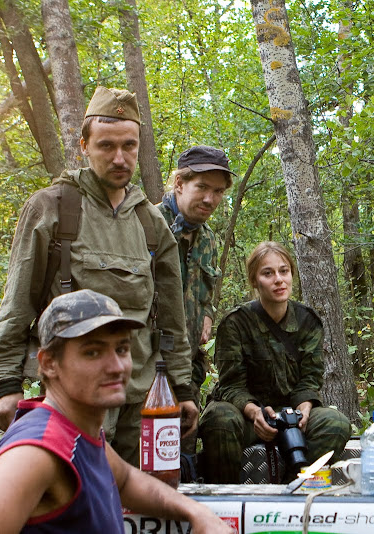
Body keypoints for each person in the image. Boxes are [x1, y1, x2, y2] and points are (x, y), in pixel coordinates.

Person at [0, 87, 196, 466]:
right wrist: (4, 383)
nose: (120, 158)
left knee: (137, 509)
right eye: (106, 146)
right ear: (84, 145)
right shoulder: (53, 208)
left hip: (140, 398)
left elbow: (171, 321)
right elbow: (17, 303)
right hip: (69, 397)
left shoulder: (151, 222)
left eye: (129, 146)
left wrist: (182, 386)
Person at [0, 290, 232, 534]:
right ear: (49, 363)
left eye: (121, 349)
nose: (116, 366)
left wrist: (197, 512)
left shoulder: (78, 431)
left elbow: (126, 480)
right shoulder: (37, 452)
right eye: (93, 352)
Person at [198, 241, 351, 483]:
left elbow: (310, 379)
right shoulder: (236, 324)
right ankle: (226, 498)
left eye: (284, 271)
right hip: (244, 415)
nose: (279, 280)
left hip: (290, 416)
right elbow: (231, 386)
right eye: (268, 273)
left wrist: (304, 410)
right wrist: (254, 412)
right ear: (255, 281)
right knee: (220, 419)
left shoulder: (307, 321)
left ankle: (295, 487)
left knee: (336, 423)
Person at [157, 145, 234, 455]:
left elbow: (205, 292)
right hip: (148, 370)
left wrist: (207, 314)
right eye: (201, 187)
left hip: (188, 368)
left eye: (217, 191)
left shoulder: (207, 238)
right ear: (179, 184)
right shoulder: (146, 225)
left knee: (182, 455)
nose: (209, 199)